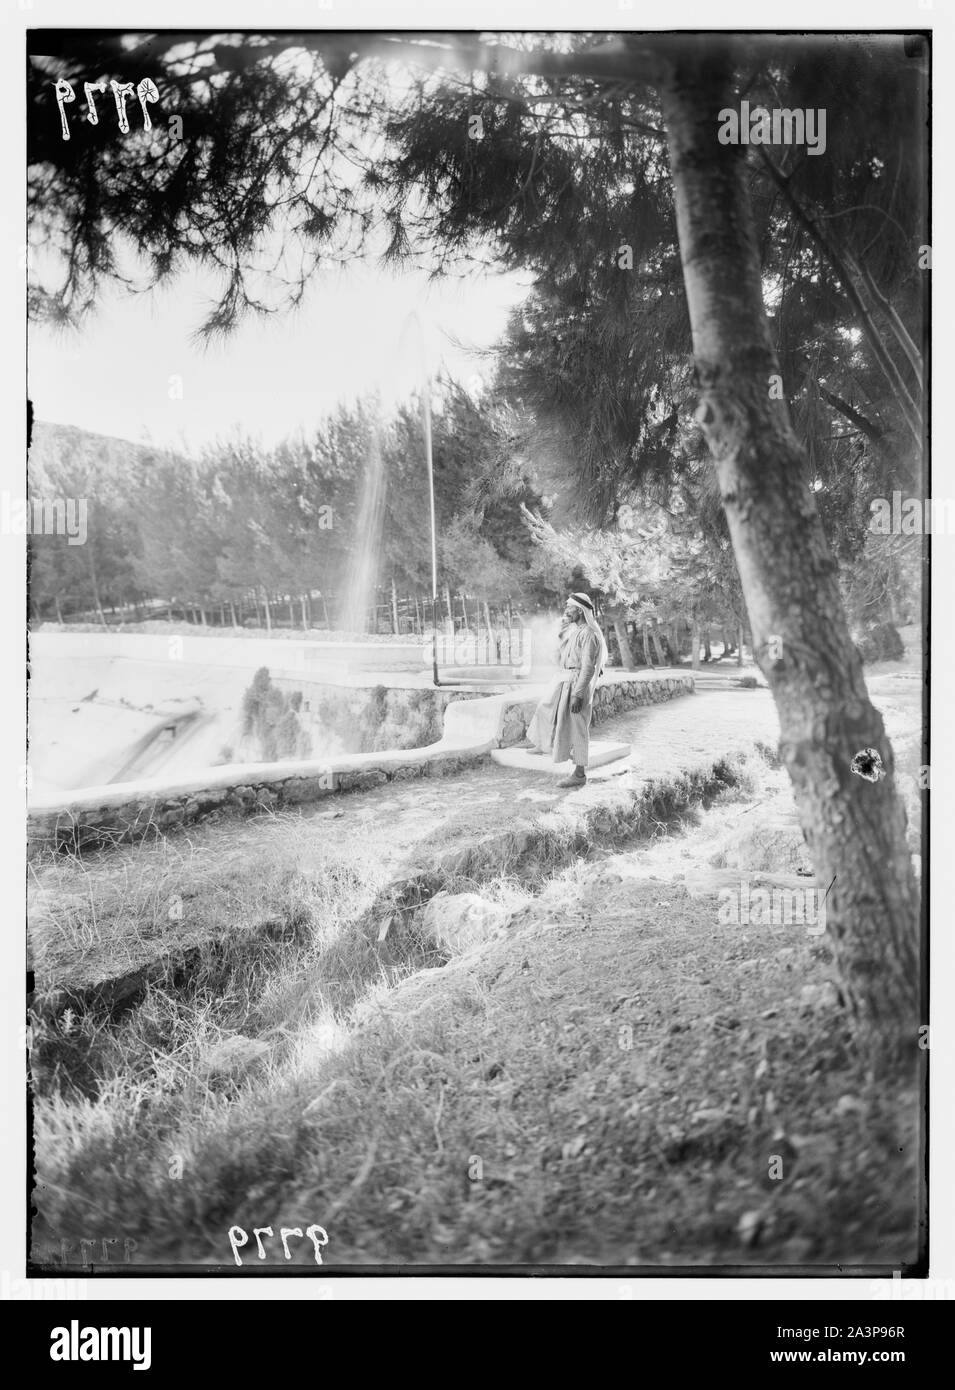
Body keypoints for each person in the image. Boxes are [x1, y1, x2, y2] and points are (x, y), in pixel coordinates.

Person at [523, 592, 608, 787]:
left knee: (577, 727)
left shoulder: (589, 634)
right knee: (546, 708)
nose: (566, 610)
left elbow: (588, 667)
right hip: (564, 680)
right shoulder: (574, 631)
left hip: (577, 683)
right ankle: (542, 743)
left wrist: (578, 694)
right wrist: (561, 631)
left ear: (579, 611)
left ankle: (579, 775)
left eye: (569, 607)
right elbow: (559, 657)